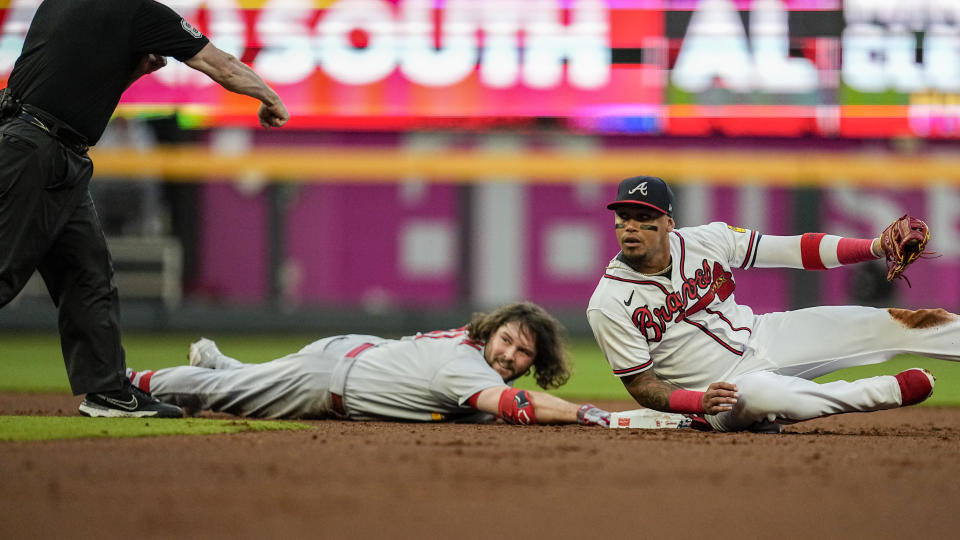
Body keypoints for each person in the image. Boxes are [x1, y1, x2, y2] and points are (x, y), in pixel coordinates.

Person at [0, 0, 289, 418]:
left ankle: (107, 391)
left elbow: (81, 80)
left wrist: (134, 67)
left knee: (88, 274)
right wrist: (268, 96)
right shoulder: (141, 12)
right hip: (36, 151)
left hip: (51, 148)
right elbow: (221, 64)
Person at [587, 175, 954, 433]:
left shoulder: (705, 240)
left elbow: (797, 249)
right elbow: (642, 385)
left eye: (644, 217)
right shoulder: (608, 302)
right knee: (764, 394)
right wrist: (697, 403)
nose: (630, 226)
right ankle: (884, 392)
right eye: (624, 217)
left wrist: (873, 247)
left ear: (668, 222)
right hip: (721, 388)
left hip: (766, 335)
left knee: (895, 322)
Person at [126, 302, 612, 426]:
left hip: (351, 356)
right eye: (507, 340)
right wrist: (581, 411)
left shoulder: (472, 353)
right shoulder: (466, 364)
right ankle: (129, 382)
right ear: (492, 333)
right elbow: (512, 405)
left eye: (523, 352)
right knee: (225, 397)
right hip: (328, 380)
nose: (509, 354)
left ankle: (217, 360)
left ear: (533, 360)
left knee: (248, 380)